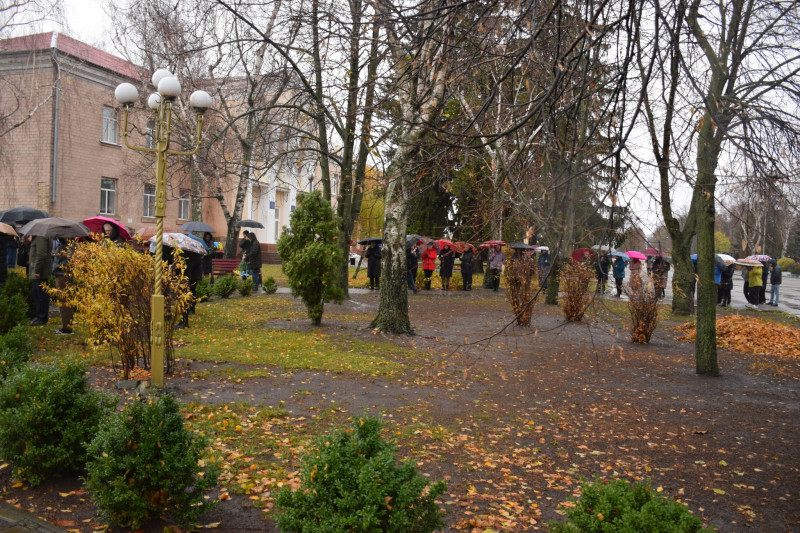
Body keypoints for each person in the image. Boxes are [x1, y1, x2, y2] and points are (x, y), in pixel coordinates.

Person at [28, 234, 52, 326]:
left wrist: (37, 270)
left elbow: (41, 254)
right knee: (36, 293)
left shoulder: (41, 236)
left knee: (41, 295)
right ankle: (39, 316)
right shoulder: (39, 236)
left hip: (40, 272)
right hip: (38, 271)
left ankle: (42, 318)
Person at [52, 237, 74, 334]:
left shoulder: (70, 246)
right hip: (60, 273)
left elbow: (69, 260)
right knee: (62, 301)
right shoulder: (62, 244)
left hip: (63, 274)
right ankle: (66, 325)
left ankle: (67, 327)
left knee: (64, 300)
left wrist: (58, 265)